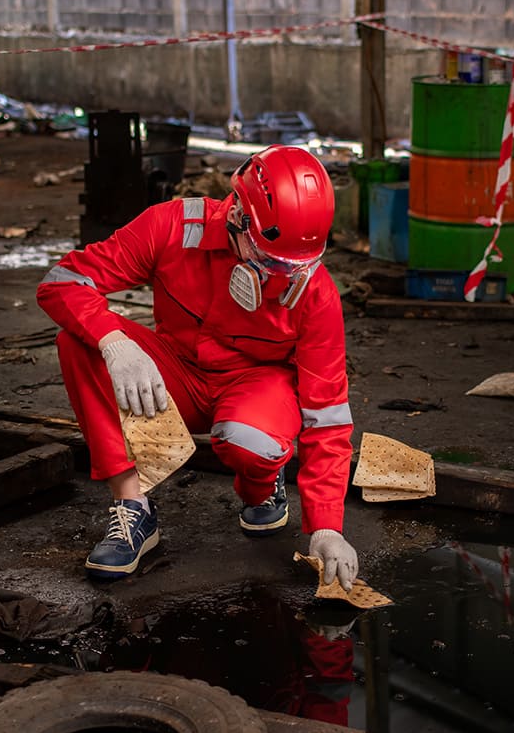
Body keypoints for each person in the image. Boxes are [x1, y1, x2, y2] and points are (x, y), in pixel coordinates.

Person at [36, 144, 358, 589]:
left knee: (249, 441)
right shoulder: (171, 226)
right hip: (176, 376)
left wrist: (326, 526)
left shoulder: (314, 294)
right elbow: (64, 282)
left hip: (256, 386)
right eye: (270, 259)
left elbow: (328, 418)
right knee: (78, 339)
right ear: (238, 216)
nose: (281, 276)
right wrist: (113, 343)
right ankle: (134, 510)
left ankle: (262, 485)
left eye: (295, 264)